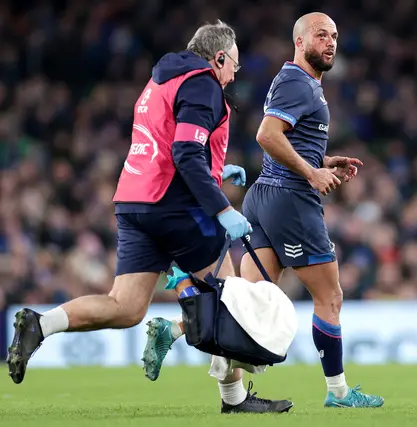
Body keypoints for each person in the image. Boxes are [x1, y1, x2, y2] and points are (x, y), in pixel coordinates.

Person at [7, 20, 292, 414]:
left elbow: (165, 141)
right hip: (175, 207)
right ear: (219, 57)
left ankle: (42, 324)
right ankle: (234, 399)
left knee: (125, 306)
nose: (233, 75)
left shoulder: (160, 80)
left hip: (134, 201)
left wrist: (214, 172)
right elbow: (186, 154)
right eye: (234, 66)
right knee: (228, 297)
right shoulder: (202, 83)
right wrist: (223, 208)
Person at [142, 12, 384, 409]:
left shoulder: (299, 83)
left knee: (251, 303)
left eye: (335, 36)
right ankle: (339, 392)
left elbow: (289, 140)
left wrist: (321, 162)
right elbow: (266, 135)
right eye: (321, 35)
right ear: (300, 42)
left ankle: (177, 328)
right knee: (331, 297)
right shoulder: (297, 82)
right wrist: (311, 173)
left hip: (266, 196)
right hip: (290, 200)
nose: (330, 42)